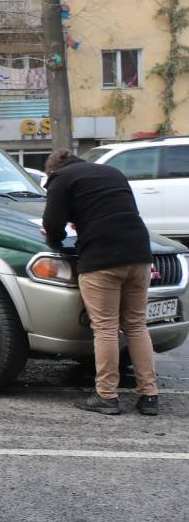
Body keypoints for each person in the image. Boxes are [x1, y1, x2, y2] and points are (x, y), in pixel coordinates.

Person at [42, 148, 157, 416]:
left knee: (105, 328)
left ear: (52, 170)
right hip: (140, 254)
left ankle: (106, 395)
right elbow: (113, 211)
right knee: (136, 325)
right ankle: (149, 396)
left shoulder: (60, 178)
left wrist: (55, 234)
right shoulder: (113, 173)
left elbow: (53, 224)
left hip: (102, 257)